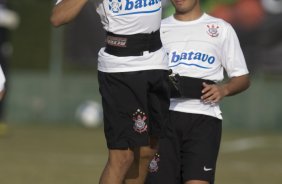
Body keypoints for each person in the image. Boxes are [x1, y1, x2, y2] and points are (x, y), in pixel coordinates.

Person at [50, 0, 170, 184]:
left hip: (157, 60)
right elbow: (58, 17)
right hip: (121, 68)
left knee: (148, 151)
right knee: (122, 157)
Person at [146, 0, 250, 184]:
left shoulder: (221, 29)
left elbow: (242, 78)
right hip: (163, 118)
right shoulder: (157, 29)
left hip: (203, 119)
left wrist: (224, 89)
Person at [0, 0, 18, 136]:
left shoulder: (6, 3)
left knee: (2, 86)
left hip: (2, 52)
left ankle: (1, 120)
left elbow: (13, 20)